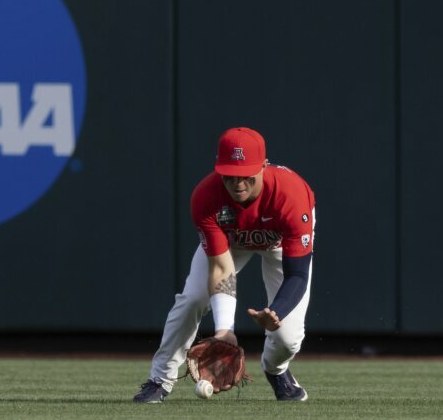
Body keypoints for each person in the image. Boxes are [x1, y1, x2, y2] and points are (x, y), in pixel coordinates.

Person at [133, 127, 315, 402]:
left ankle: (276, 370)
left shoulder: (291, 195)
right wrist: (224, 331)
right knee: (192, 299)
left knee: (288, 338)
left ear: (264, 167)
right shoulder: (206, 197)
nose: (238, 183)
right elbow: (221, 267)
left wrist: (276, 312)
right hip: (232, 243)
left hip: (279, 246)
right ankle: (160, 380)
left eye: (246, 176)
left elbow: (297, 275)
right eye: (229, 175)